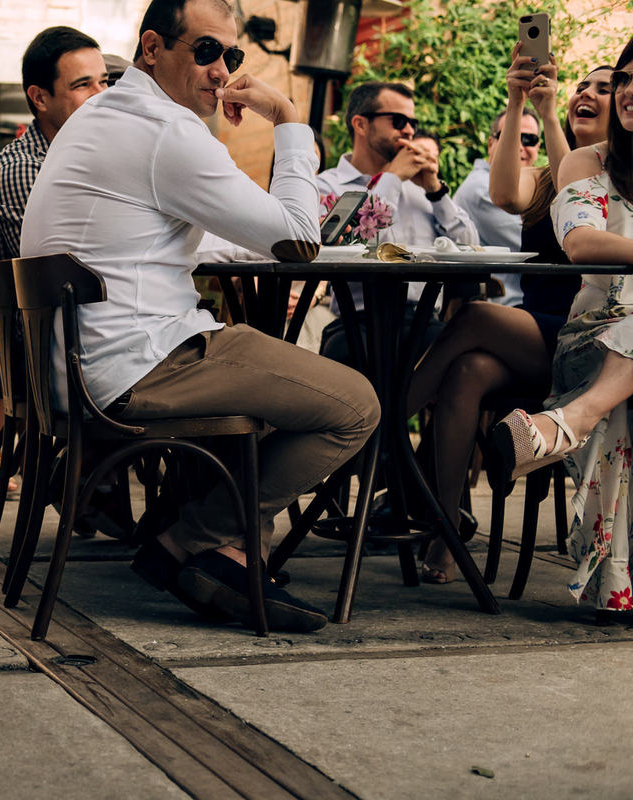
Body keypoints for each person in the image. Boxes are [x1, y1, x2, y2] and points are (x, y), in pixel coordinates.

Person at [21, 0, 380, 632]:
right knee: (355, 404)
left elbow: (141, 234)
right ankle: (191, 541)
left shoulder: (103, 113)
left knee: (282, 395)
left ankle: (230, 552)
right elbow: (299, 236)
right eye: (207, 52)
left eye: (232, 56)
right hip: (137, 364)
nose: (222, 71)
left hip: (77, 362)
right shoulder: (167, 131)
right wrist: (290, 121)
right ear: (153, 47)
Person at [409, 53, 612, 584]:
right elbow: (504, 194)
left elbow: (579, 197)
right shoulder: (550, 172)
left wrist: (547, 119)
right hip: (538, 331)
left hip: (594, 336)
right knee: (467, 371)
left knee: (474, 315)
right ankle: (447, 524)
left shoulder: (613, 181)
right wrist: (518, 98)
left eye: (606, 88)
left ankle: (378, 433)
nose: (585, 93)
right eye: (582, 85)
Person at [489, 38, 633, 625]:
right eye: (624, 77)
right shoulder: (586, 162)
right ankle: (578, 414)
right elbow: (581, 244)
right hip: (592, 339)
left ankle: (567, 424)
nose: (626, 90)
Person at [317, 82, 480, 364]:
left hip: (425, 322)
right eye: (398, 121)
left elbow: (472, 249)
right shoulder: (327, 186)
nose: (409, 131)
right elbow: (342, 245)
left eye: (412, 123)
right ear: (360, 124)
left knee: (472, 364)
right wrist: (390, 178)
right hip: (357, 325)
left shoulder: (423, 190)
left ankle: (393, 410)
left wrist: (436, 191)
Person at [0, 25, 109, 263]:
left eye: (104, 82)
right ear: (40, 98)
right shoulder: (20, 169)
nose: (102, 95)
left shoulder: (91, 157)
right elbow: (66, 272)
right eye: (83, 85)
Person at [453, 107, 543, 305]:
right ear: (491, 144)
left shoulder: (524, 189)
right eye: (510, 136)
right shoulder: (483, 189)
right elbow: (539, 248)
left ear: (538, 147)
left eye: (529, 140)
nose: (519, 146)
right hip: (507, 305)